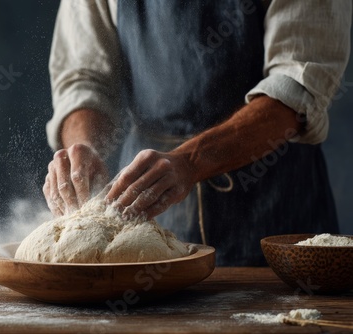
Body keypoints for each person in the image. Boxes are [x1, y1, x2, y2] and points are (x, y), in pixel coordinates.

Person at [43, 0, 352, 265]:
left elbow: (296, 87)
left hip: (276, 206)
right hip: (150, 211)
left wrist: (190, 162)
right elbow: (84, 79)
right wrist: (83, 147)